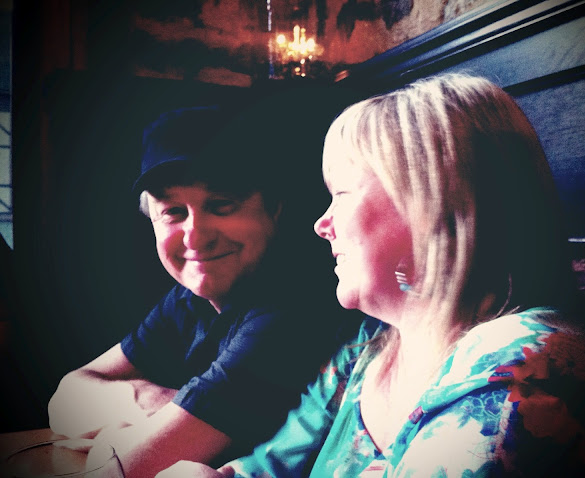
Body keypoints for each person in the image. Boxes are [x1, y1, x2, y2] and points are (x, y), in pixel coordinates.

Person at [157, 73, 585, 477]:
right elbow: (265, 467)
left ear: (432, 202)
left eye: (340, 194)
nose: (322, 224)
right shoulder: (368, 347)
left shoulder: (523, 370)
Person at [47, 102, 360, 477]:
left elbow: (129, 468)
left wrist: (126, 421)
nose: (195, 237)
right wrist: (146, 399)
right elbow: (65, 396)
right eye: (173, 212)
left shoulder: (295, 307)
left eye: (221, 205)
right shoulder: (189, 298)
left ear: (274, 209)